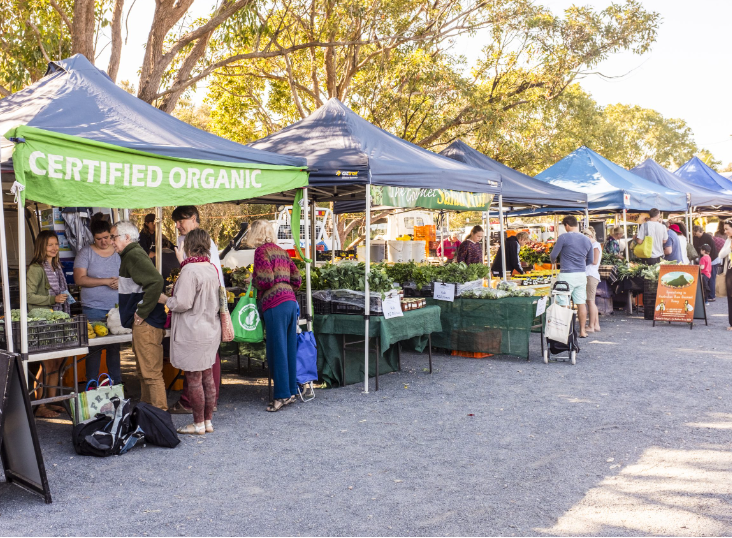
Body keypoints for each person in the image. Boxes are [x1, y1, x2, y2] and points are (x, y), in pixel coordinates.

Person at [158, 229, 220, 434]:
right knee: (208, 378)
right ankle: (208, 422)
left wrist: (165, 299)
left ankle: (198, 423)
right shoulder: (210, 268)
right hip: (211, 328)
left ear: (189, 245)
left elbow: (182, 303)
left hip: (193, 331)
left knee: (194, 379)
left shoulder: (190, 270)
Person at [168, 206, 224, 415]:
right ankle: (207, 411)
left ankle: (194, 411)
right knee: (208, 367)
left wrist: (166, 299)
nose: (177, 225)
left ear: (193, 218)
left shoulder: (197, 250)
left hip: (199, 314)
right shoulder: (201, 247)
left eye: (181, 220)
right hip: (209, 310)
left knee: (197, 369)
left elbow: (184, 299)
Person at [112, 221, 168, 410]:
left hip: (148, 323)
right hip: (145, 323)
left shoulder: (134, 254)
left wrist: (142, 311)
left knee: (150, 374)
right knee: (145, 373)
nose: (112, 241)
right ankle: (148, 416)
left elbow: (155, 281)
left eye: (114, 237)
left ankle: (160, 420)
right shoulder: (130, 255)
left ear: (127, 238)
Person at [248, 219, 302, 412]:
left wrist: (253, 279)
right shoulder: (282, 251)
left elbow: (265, 280)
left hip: (274, 304)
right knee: (288, 349)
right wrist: (285, 285)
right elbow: (297, 278)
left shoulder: (261, 251)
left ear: (255, 234)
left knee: (276, 350)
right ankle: (291, 391)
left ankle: (281, 396)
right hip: (289, 301)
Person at [73, 219, 122, 386]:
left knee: (114, 348)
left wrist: (121, 282)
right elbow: (79, 279)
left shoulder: (119, 251)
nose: (104, 242)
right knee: (93, 349)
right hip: (93, 307)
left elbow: (132, 276)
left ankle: (116, 386)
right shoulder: (86, 252)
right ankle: (92, 387)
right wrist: (106, 281)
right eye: (99, 238)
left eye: (107, 237)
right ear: (93, 237)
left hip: (116, 308)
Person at [26, 231, 69, 418]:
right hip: (44, 321)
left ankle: (52, 401)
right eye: (49, 244)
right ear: (41, 247)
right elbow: (28, 296)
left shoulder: (57, 266)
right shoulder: (36, 268)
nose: (54, 248)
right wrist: (53, 298)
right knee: (48, 362)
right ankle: (40, 405)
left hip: (59, 318)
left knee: (58, 361)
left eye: (56, 244)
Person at [549, 216, 593, 338]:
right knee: (581, 303)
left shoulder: (563, 237)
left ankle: (566, 332)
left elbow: (553, 255)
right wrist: (581, 265)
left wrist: (554, 261)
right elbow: (590, 259)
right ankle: (583, 331)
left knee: (564, 303)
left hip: (566, 274)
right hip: (581, 275)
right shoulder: (586, 239)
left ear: (567, 225)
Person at [713, 219, 732, 330]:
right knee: (730, 297)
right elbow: (721, 254)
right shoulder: (728, 240)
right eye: (724, 229)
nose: (725, 232)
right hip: (730, 270)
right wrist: (729, 248)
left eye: (727, 229)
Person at [582, 227, 602, 333]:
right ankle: (596, 325)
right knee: (591, 301)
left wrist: (583, 259)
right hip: (590, 275)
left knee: (590, 301)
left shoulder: (595, 246)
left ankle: (591, 326)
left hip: (590, 275)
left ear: (590, 236)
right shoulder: (594, 245)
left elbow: (594, 261)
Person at [694, 225, 719, 301]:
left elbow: (712, 249)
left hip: (712, 259)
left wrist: (707, 259)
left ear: (700, 231)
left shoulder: (707, 237)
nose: (695, 234)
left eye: (696, 232)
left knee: (711, 278)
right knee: (707, 278)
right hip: (707, 259)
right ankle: (708, 295)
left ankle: (711, 295)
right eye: (694, 233)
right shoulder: (695, 238)